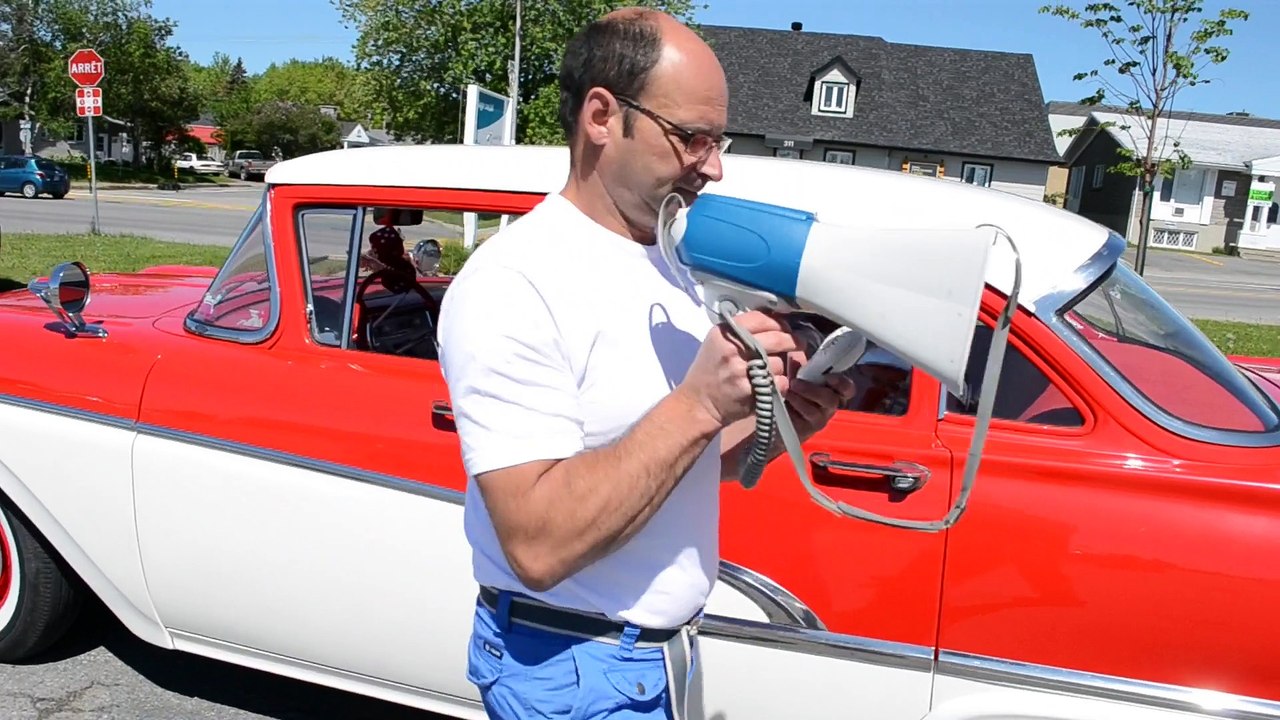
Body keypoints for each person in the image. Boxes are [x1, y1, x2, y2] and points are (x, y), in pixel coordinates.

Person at [435, 8, 855, 719]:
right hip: (575, 664)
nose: (714, 166)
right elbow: (537, 544)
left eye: (718, 141)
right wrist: (698, 403)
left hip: (648, 657)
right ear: (602, 116)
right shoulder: (513, 282)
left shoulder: (668, 260)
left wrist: (768, 425)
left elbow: (668, 461)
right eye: (692, 137)